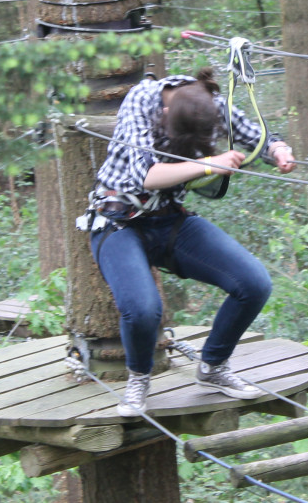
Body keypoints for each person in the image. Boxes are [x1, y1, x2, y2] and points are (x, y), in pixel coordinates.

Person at [85, 68, 296, 417]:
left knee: (253, 283)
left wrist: (278, 149)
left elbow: (253, 135)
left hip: (170, 221)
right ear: (166, 116)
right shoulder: (142, 101)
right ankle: (139, 379)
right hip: (117, 223)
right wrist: (208, 164)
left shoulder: (209, 102)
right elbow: (147, 176)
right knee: (142, 310)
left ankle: (213, 367)